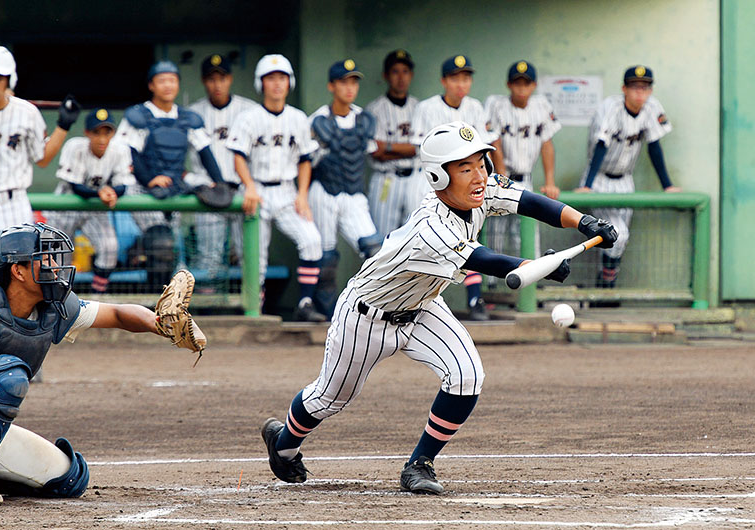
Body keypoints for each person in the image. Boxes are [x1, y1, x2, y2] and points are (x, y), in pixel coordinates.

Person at [260, 121, 617, 494]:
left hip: (425, 305)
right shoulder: (431, 228)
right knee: (330, 398)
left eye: (481, 163)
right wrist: (534, 266)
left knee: (467, 376)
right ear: (438, 176)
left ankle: (420, 464)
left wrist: (584, 221)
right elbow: (487, 260)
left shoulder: (481, 189)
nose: (479, 175)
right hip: (368, 315)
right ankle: (283, 445)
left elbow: (529, 201)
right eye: (465, 168)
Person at [0, 223, 198, 505]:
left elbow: (117, 315)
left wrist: (161, 325)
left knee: (68, 478)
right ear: (17, 271)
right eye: (43, 259)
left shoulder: (51, 309)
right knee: (4, 377)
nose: (55, 266)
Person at [0, 46, 79, 295]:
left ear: (9, 80)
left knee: (17, 280)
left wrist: (63, 126)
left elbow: (42, 158)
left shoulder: (26, 112)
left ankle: (14, 335)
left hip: (11, 203)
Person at [226, 54, 325, 322]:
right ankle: (254, 312)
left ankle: (305, 303)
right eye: (271, 78)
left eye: (282, 78)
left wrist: (302, 195)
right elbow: (238, 157)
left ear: (289, 82)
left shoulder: (298, 118)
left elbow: (305, 160)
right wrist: (248, 186)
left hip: (286, 191)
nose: (277, 84)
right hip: (256, 189)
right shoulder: (248, 118)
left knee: (312, 240)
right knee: (256, 259)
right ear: (262, 84)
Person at [115, 59, 226, 286]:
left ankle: (164, 304)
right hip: (142, 189)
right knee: (160, 243)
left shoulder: (186, 118)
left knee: (169, 250)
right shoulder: (139, 115)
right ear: (151, 85)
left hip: (172, 190)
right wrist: (149, 179)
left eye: (172, 80)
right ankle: (152, 301)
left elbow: (205, 151)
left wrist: (220, 182)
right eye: (162, 80)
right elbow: (128, 153)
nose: (168, 85)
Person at [410, 54, 503, 321]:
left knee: (469, 239)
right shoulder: (427, 108)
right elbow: (421, 152)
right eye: (455, 78)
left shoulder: (475, 107)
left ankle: (475, 299)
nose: (461, 83)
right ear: (444, 81)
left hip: (465, 183)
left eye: (466, 78)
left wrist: (495, 180)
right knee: (428, 242)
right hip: (431, 184)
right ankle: (417, 300)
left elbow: (488, 149)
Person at [575, 65, 679, 288]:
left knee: (618, 240)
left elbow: (654, 147)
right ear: (624, 88)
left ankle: (604, 285)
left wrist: (667, 185)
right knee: (618, 235)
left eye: (645, 87)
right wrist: (588, 185)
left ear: (650, 90)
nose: (640, 92)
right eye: (634, 87)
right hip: (600, 179)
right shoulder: (610, 107)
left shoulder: (652, 107)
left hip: (625, 180)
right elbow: (602, 146)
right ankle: (606, 286)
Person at [307, 59, 382, 318]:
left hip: (353, 192)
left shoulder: (364, 119)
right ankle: (324, 312)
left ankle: (373, 307)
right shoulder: (316, 120)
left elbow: (373, 152)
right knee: (325, 256)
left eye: (354, 82)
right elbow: (304, 162)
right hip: (323, 192)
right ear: (331, 86)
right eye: (343, 82)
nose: (349, 88)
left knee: (375, 249)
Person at [44, 109, 136, 293]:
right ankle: (58, 300)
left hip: (94, 208)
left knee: (110, 248)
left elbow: (124, 185)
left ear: (113, 133)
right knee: (59, 259)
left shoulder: (120, 150)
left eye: (106, 133)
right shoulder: (75, 146)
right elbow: (75, 186)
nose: (102, 139)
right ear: (87, 133)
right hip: (66, 206)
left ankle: (97, 297)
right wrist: (102, 192)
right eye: (97, 133)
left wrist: (111, 191)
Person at [185, 53, 256, 278]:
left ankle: (250, 310)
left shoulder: (249, 110)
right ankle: (209, 310)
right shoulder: (192, 114)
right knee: (209, 257)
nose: (217, 84)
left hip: (241, 191)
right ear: (204, 81)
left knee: (250, 254)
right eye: (211, 79)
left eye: (222, 78)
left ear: (230, 79)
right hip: (208, 192)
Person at [483, 60, 562, 260]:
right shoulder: (496, 105)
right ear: (508, 84)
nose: (521, 87)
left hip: (525, 179)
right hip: (501, 176)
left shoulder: (541, 106)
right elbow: (495, 143)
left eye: (526, 83)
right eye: (517, 83)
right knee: (495, 233)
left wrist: (550, 181)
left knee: (526, 234)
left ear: (533, 85)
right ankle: (491, 285)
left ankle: (530, 281)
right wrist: (501, 179)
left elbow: (547, 144)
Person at [366, 49, 423, 237]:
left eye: (405, 72)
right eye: (395, 71)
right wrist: (410, 149)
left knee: (416, 238)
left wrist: (388, 147)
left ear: (412, 75)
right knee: (382, 239)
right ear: (386, 76)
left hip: (415, 178)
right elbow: (376, 152)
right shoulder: (374, 109)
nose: (401, 77)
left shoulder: (419, 107)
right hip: (386, 180)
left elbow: (421, 148)